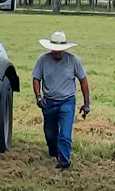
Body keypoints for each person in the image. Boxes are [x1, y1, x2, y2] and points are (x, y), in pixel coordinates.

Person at [31, 30, 90, 170]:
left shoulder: (74, 60)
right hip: (48, 102)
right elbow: (36, 78)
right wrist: (38, 97)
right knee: (50, 134)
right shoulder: (42, 60)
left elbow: (83, 81)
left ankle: (64, 162)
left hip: (67, 102)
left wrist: (86, 103)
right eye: (55, 50)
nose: (57, 53)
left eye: (60, 51)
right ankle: (55, 152)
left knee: (65, 134)